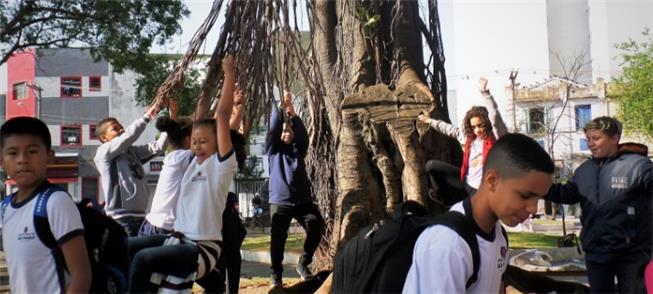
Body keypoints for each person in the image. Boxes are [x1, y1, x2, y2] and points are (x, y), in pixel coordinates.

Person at [127, 55, 245, 293]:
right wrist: (207, 83)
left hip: (203, 247)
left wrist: (229, 74)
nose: (198, 146)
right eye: (194, 141)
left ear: (218, 145)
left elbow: (221, 118)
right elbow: (199, 118)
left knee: (143, 260)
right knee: (126, 247)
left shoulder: (220, 167)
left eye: (204, 142)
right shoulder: (188, 161)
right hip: (179, 238)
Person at [402, 133, 555, 293]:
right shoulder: (449, 244)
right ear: (492, 181)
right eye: (525, 195)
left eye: (539, 198)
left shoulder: (498, 234)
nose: (534, 208)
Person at [545, 116, 652, 293]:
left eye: (596, 138)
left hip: (632, 255)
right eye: (588, 139)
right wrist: (538, 187)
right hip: (596, 253)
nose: (591, 144)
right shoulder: (584, 170)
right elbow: (567, 194)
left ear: (615, 138)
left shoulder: (639, 166)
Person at [0, 117, 92, 293]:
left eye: (32, 151)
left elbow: (81, 276)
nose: (22, 160)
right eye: (13, 153)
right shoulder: (5, 208)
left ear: (49, 157)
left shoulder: (55, 202)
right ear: (2, 161)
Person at [266, 91, 325, 288]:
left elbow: (302, 135)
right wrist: (281, 109)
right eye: (284, 131)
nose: (287, 133)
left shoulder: (298, 148)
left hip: (302, 201)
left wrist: (291, 110)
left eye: (289, 131)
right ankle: (276, 277)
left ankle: (303, 264)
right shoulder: (273, 149)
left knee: (316, 225)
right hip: (280, 201)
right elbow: (273, 128)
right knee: (278, 241)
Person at [418, 77, 508, 204]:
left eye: (480, 126)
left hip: (483, 189)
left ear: (487, 124)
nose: (477, 130)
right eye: (473, 127)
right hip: (465, 183)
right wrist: (429, 121)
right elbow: (448, 129)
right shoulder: (468, 138)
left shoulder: (496, 139)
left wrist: (485, 93)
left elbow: (495, 117)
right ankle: (442, 197)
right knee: (431, 166)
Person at [94, 98, 168, 236]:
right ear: (104, 138)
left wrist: (171, 121)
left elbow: (159, 146)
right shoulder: (103, 153)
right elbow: (129, 136)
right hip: (121, 219)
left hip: (142, 216)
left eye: (121, 126)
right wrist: (149, 115)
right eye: (115, 129)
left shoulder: (132, 151)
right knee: (129, 255)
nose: (121, 129)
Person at [139, 104, 193, 236]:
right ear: (188, 139)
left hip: (155, 225)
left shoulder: (174, 157)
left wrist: (173, 117)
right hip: (163, 228)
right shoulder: (181, 157)